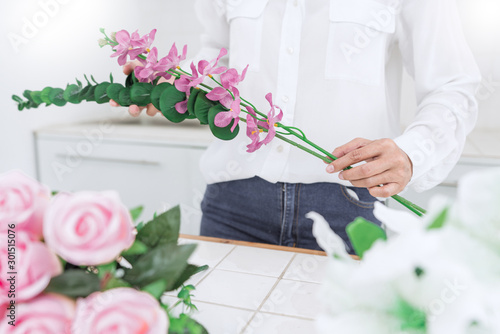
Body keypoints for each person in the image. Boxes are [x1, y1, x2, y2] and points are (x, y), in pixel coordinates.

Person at [112, 0, 481, 252]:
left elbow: (453, 85)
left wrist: (413, 153)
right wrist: (170, 81)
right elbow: (219, 53)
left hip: (347, 210)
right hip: (233, 205)